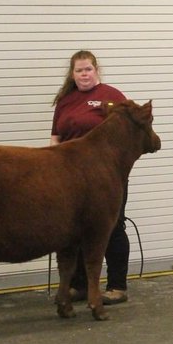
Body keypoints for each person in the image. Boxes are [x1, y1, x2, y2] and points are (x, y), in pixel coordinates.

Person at [50, 50, 132, 305]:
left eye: (88, 69)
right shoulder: (65, 100)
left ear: (96, 70)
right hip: (71, 177)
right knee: (73, 230)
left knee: (112, 227)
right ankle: (79, 285)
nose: (84, 74)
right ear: (72, 74)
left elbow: (128, 133)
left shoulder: (112, 97)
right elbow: (55, 137)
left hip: (105, 177)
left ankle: (117, 286)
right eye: (79, 70)